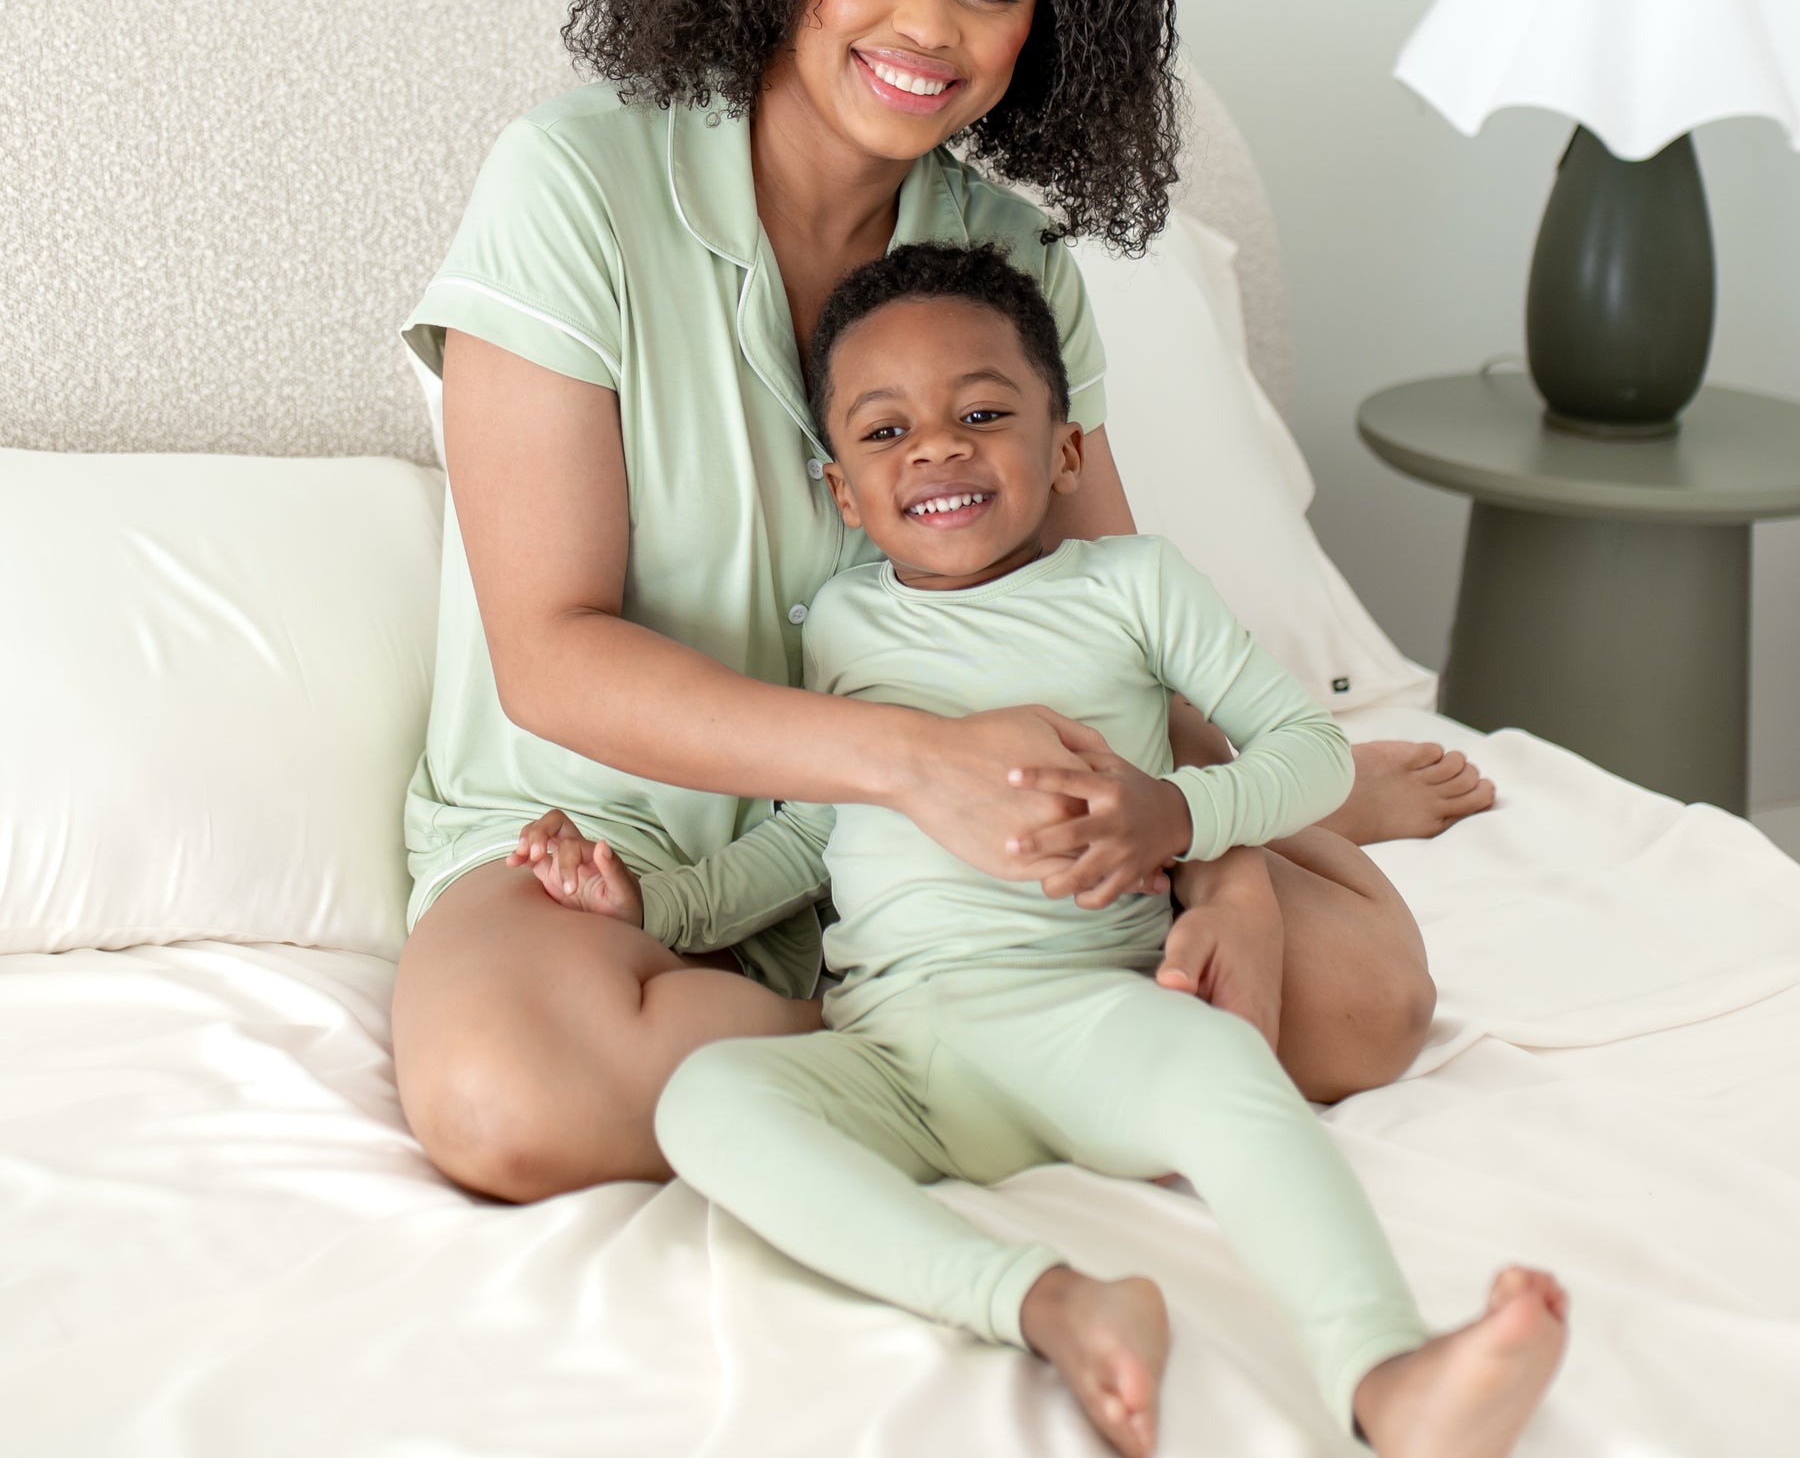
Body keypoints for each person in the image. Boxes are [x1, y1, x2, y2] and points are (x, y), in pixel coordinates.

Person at [390, 0, 1495, 1205]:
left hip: (976, 865)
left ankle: (878, 1070)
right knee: (501, 1095)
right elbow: (554, 658)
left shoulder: (1013, 254)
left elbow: (1112, 610)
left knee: (1370, 996)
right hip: (623, 839)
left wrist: (1221, 862)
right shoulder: (572, 181)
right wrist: (916, 765)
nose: (929, 28)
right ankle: (942, 1069)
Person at [517, 243, 1569, 1458]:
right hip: (898, 1053)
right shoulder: (844, 626)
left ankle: (1385, 1373)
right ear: (841, 493)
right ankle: (1050, 1302)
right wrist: (656, 905)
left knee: (1228, 1076)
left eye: (982, 413)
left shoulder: (1131, 587)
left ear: (1065, 452)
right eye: (886, 431)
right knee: (707, 1101)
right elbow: (816, 828)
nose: (938, 447)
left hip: (1093, 1019)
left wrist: (1179, 818)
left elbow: (1305, 750)